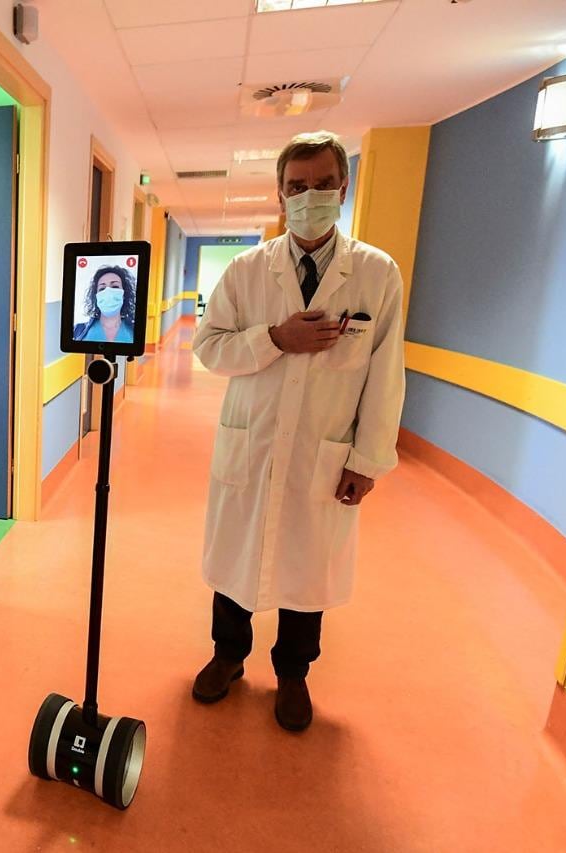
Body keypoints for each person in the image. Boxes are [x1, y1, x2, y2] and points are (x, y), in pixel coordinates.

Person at [190, 131, 405, 732]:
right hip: (252, 442)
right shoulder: (246, 271)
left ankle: (293, 674)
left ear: (343, 187)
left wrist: (367, 460)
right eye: (297, 186)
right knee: (238, 554)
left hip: (325, 448)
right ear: (280, 195)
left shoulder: (376, 273)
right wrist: (276, 339)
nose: (310, 195)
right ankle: (227, 657)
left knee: (307, 567)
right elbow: (209, 348)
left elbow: (386, 374)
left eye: (322, 184)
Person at [73, 266, 136, 343]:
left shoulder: (135, 330)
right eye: (102, 289)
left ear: (124, 294)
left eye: (115, 286)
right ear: (96, 296)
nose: (108, 292)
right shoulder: (77, 330)